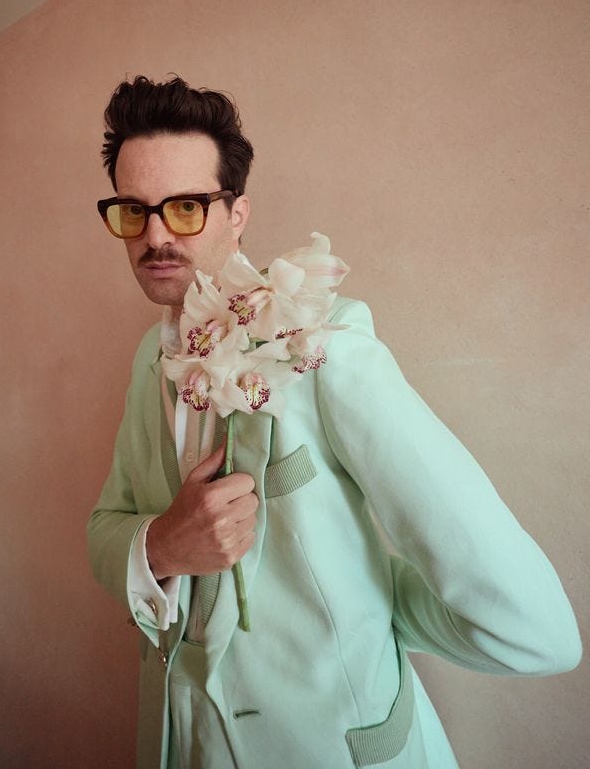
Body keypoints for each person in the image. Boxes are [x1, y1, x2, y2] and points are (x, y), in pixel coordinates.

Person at [87, 74, 581, 769]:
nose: (156, 235)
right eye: (133, 212)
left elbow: (532, 626)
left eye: (187, 207)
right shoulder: (149, 357)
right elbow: (104, 526)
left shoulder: (324, 346)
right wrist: (162, 546)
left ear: (237, 213)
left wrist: (375, 618)